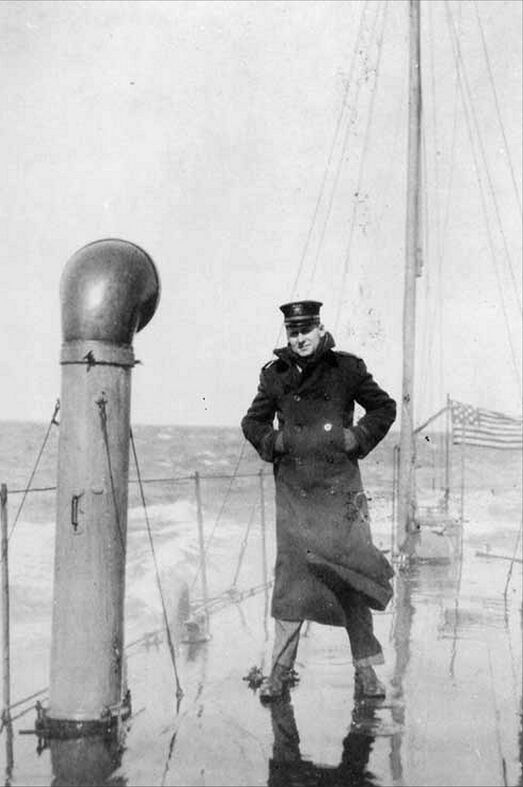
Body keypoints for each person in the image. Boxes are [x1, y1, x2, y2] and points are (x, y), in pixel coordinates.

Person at [241, 300, 396, 701]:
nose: (300, 339)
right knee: (291, 584)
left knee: (352, 579)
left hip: (341, 493)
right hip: (295, 494)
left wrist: (356, 438)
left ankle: (366, 674)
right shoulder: (275, 376)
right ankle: (278, 672)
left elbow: (384, 407)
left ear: (319, 328)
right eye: (293, 333)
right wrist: (273, 441)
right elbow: (252, 422)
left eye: (305, 331)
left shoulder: (347, 369)